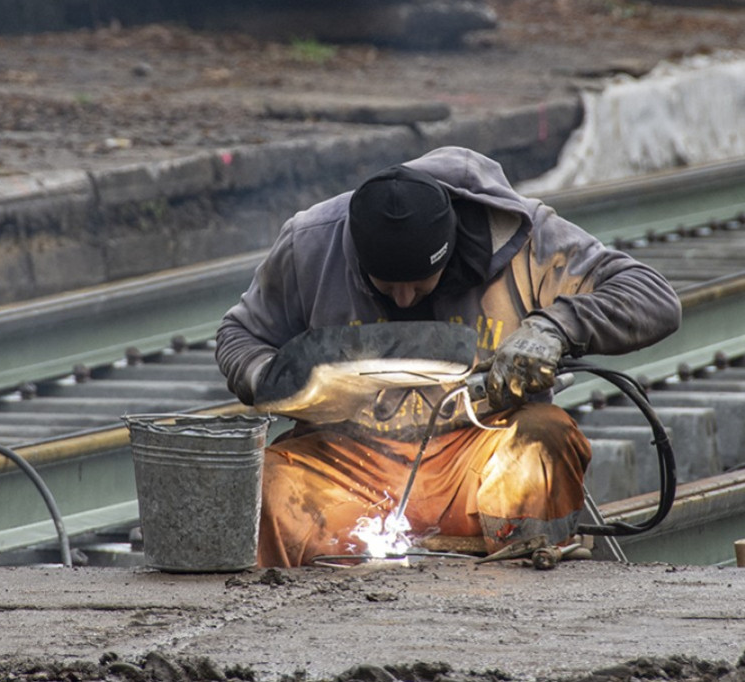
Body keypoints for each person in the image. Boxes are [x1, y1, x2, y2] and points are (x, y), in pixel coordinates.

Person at [215, 146, 681, 567]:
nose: (403, 300)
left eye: (419, 285)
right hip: (347, 464)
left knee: (543, 441)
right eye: (386, 286)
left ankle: (526, 585)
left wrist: (553, 329)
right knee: (268, 487)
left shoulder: (527, 242)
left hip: (477, 452)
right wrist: (276, 380)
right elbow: (240, 335)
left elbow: (653, 296)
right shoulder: (312, 243)